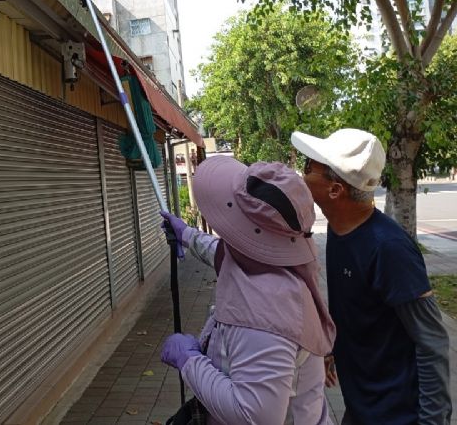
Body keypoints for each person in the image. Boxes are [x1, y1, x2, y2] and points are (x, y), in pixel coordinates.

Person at [291, 128, 452, 425]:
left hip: (397, 415)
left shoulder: (388, 249)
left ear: (335, 189)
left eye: (308, 168)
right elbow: (359, 308)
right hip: (361, 405)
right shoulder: (341, 232)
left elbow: (433, 342)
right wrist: (333, 348)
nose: (301, 176)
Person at [160, 158, 337, 425]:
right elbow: (219, 252)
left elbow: (254, 416)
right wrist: (186, 234)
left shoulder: (267, 314)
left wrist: (189, 361)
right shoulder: (269, 264)